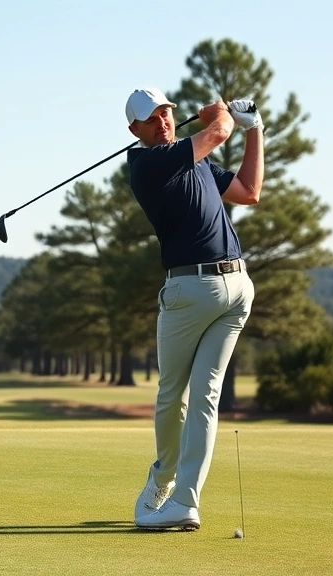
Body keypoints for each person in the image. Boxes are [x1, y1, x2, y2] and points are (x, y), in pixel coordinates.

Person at [122, 87, 264, 531]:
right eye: (152, 117)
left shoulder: (196, 161)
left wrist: (256, 130)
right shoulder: (148, 164)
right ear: (135, 130)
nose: (163, 120)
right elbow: (219, 130)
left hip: (236, 286)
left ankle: (183, 500)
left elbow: (248, 191)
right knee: (173, 396)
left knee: (203, 397)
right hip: (188, 288)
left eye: (166, 112)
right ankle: (163, 479)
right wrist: (222, 116)